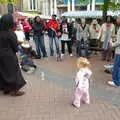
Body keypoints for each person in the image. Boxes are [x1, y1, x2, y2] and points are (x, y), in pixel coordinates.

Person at [0, 14, 26, 96]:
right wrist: (17, 48)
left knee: (3, 72)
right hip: (9, 55)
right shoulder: (10, 33)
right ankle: (15, 90)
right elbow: (15, 46)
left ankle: (6, 89)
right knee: (14, 72)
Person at [108, 16, 120, 87]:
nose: (116, 20)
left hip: (119, 51)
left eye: (118, 18)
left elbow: (118, 42)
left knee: (116, 66)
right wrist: (115, 36)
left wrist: (112, 45)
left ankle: (116, 82)